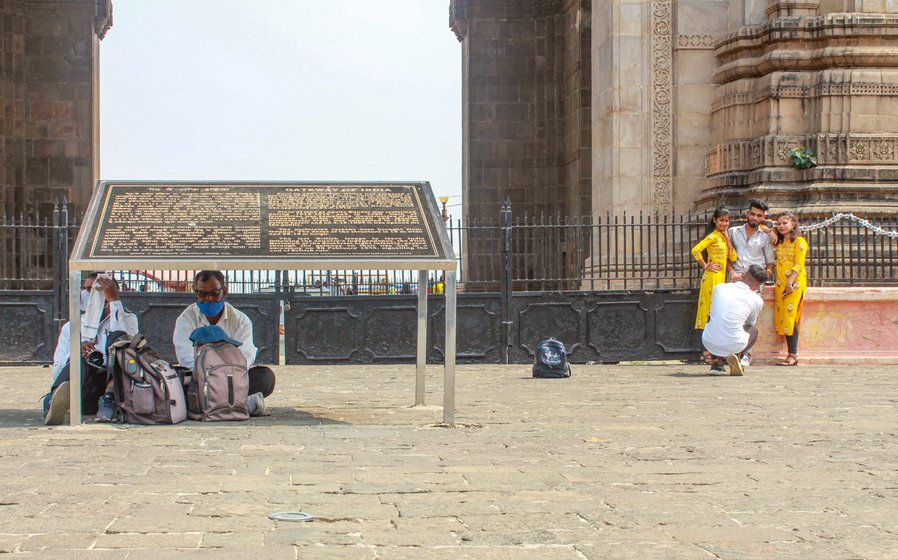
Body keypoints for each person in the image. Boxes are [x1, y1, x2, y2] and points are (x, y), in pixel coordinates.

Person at [172, 270, 274, 415]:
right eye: (202, 294)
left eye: (214, 293)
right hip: (200, 380)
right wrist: (210, 376)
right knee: (176, 379)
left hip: (232, 379)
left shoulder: (241, 321)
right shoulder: (186, 319)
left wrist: (221, 376)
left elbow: (244, 359)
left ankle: (203, 403)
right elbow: (186, 357)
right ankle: (236, 401)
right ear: (196, 293)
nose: (208, 299)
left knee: (265, 378)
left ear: (224, 292)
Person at [43, 275, 139, 425]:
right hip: (82, 390)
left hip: (111, 388)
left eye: (98, 290)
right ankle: (54, 401)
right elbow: (58, 368)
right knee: (77, 356)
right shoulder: (73, 326)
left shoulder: (127, 318)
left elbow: (129, 347)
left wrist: (114, 301)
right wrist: (77, 352)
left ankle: (108, 400)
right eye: (87, 289)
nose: (90, 294)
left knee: (118, 339)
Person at [727, 198, 775, 366]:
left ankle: (745, 354)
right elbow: (727, 255)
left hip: (754, 281)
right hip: (737, 279)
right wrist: (731, 271)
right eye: (752, 214)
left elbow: (770, 261)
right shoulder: (733, 232)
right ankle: (730, 352)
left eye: (759, 216)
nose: (755, 218)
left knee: (750, 319)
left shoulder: (766, 236)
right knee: (734, 316)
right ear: (747, 214)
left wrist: (764, 277)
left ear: (763, 218)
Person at [701, 264, 768, 376]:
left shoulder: (720, 287)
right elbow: (750, 323)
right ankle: (737, 356)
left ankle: (717, 363)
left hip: (709, 342)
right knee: (753, 330)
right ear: (757, 286)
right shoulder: (757, 299)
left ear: (742, 275)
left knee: (714, 317)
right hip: (734, 344)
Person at [691, 207, 737, 369]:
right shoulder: (712, 236)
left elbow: (733, 257)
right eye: (721, 220)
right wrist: (705, 265)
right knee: (707, 314)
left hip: (721, 280)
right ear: (715, 221)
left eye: (726, 221)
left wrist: (727, 239)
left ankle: (712, 351)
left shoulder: (724, 237)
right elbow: (696, 250)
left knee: (717, 315)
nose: (724, 223)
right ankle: (705, 352)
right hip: (711, 279)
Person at [771, 211, 808, 366]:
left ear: (793, 224)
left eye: (784, 223)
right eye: (778, 224)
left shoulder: (799, 242)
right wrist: (772, 230)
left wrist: (790, 282)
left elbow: (799, 264)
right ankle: (790, 353)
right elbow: (762, 225)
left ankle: (793, 354)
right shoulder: (780, 242)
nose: (781, 226)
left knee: (790, 316)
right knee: (783, 318)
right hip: (780, 284)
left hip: (794, 283)